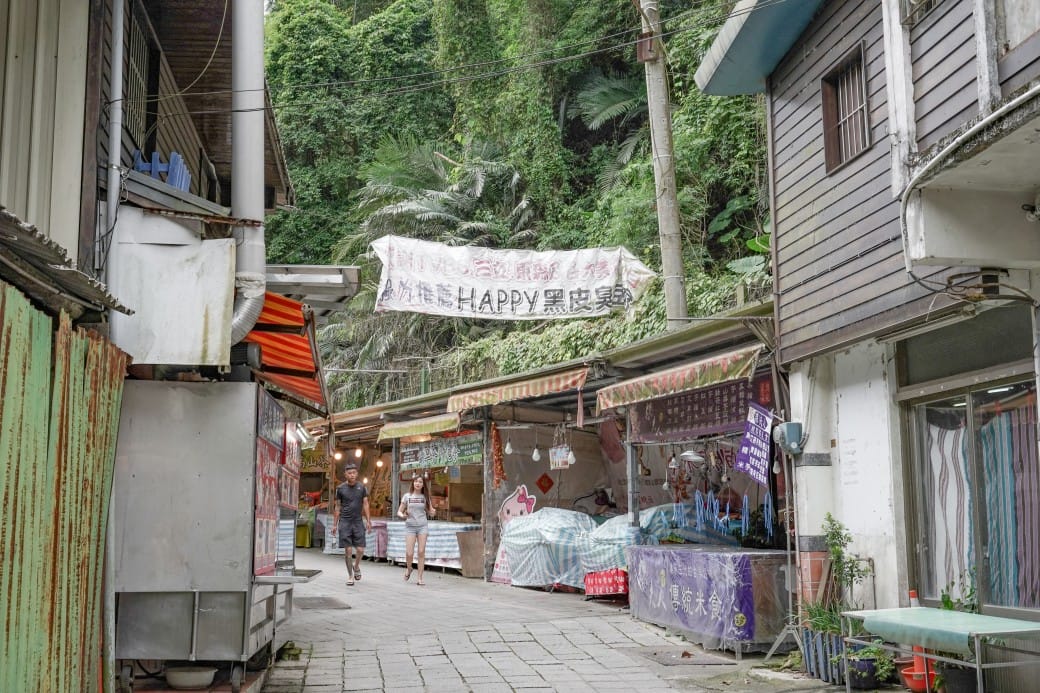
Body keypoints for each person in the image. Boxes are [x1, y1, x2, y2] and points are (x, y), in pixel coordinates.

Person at [333, 464, 370, 586]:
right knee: (348, 550)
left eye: (354, 472)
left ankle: (357, 566)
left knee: (360, 549)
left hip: (358, 521)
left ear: (357, 474)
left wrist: (369, 521)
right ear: (345, 475)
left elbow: (365, 504)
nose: (352, 475)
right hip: (345, 521)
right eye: (349, 473)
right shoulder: (340, 489)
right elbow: (337, 506)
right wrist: (334, 524)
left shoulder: (362, 487)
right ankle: (350, 576)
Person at [397, 474, 434, 586]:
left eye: (420, 482)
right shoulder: (407, 496)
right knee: (409, 553)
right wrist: (403, 515)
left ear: (423, 485)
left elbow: (431, 511)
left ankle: (420, 578)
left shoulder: (425, 497)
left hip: (423, 526)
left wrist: (433, 512)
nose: (418, 483)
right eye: (416, 481)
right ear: (413, 483)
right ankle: (409, 568)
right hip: (410, 527)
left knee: (421, 551)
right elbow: (399, 512)